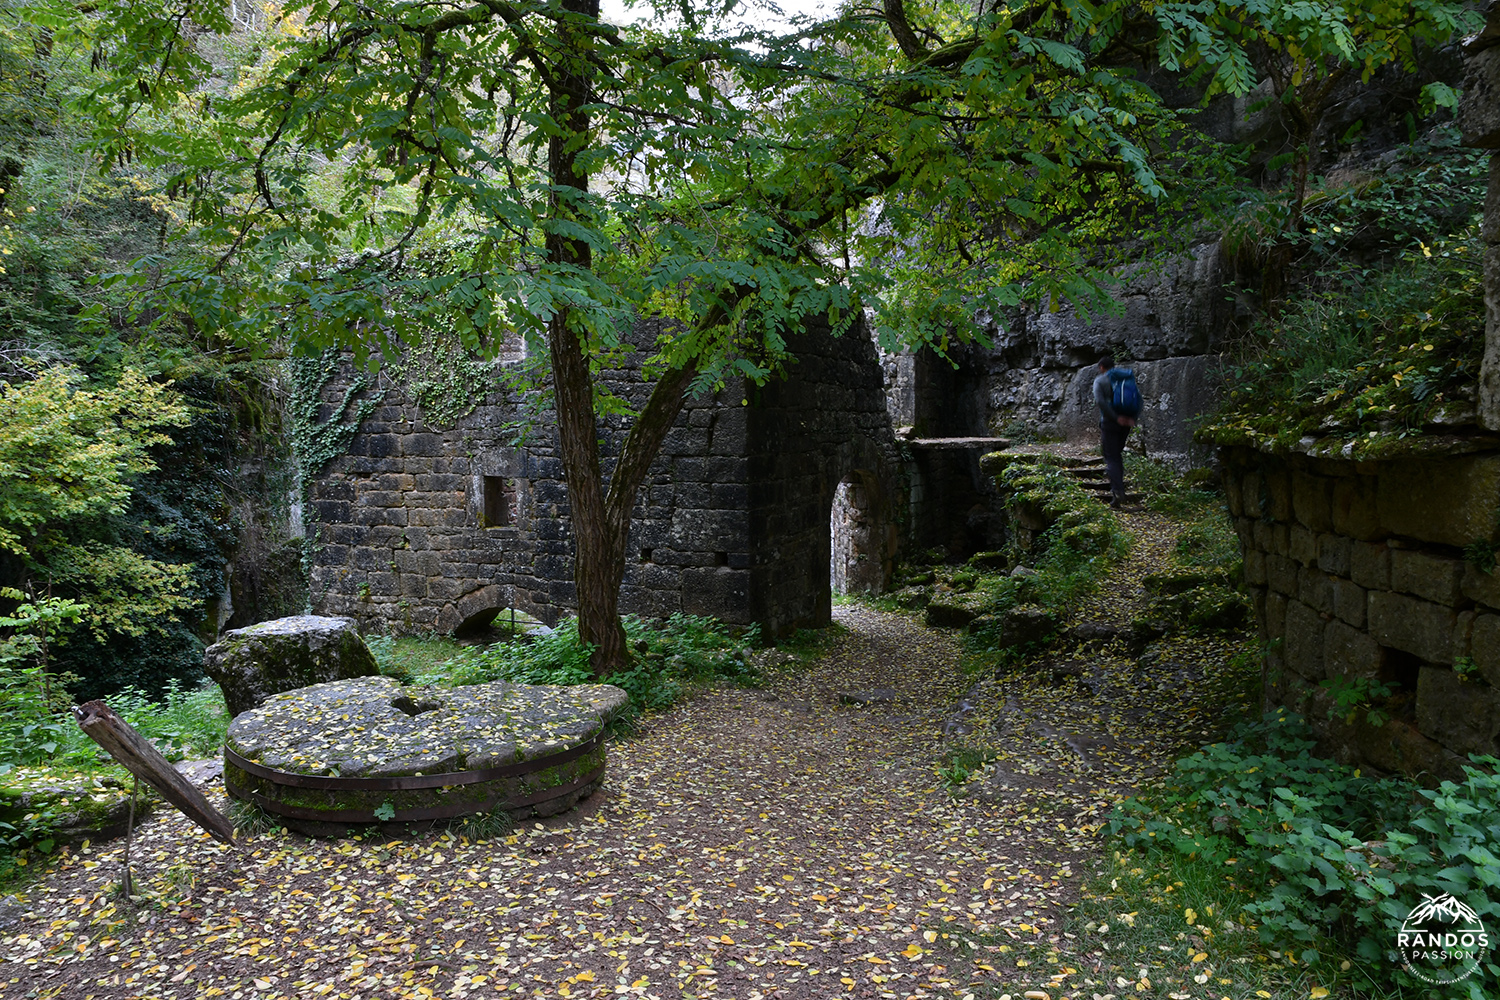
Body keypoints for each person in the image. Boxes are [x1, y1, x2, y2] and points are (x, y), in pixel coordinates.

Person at [1093, 354, 1136, 507]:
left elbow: (1100, 401)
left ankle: (1117, 491)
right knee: (1117, 456)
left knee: (1111, 457)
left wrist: (1115, 417)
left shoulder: (1101, 380)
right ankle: (1118, 493)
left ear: (1101, 368)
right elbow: (1135, 398)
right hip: (1126, 423)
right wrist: (1131, 418)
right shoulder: (1125, 378)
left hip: (1110, 423)